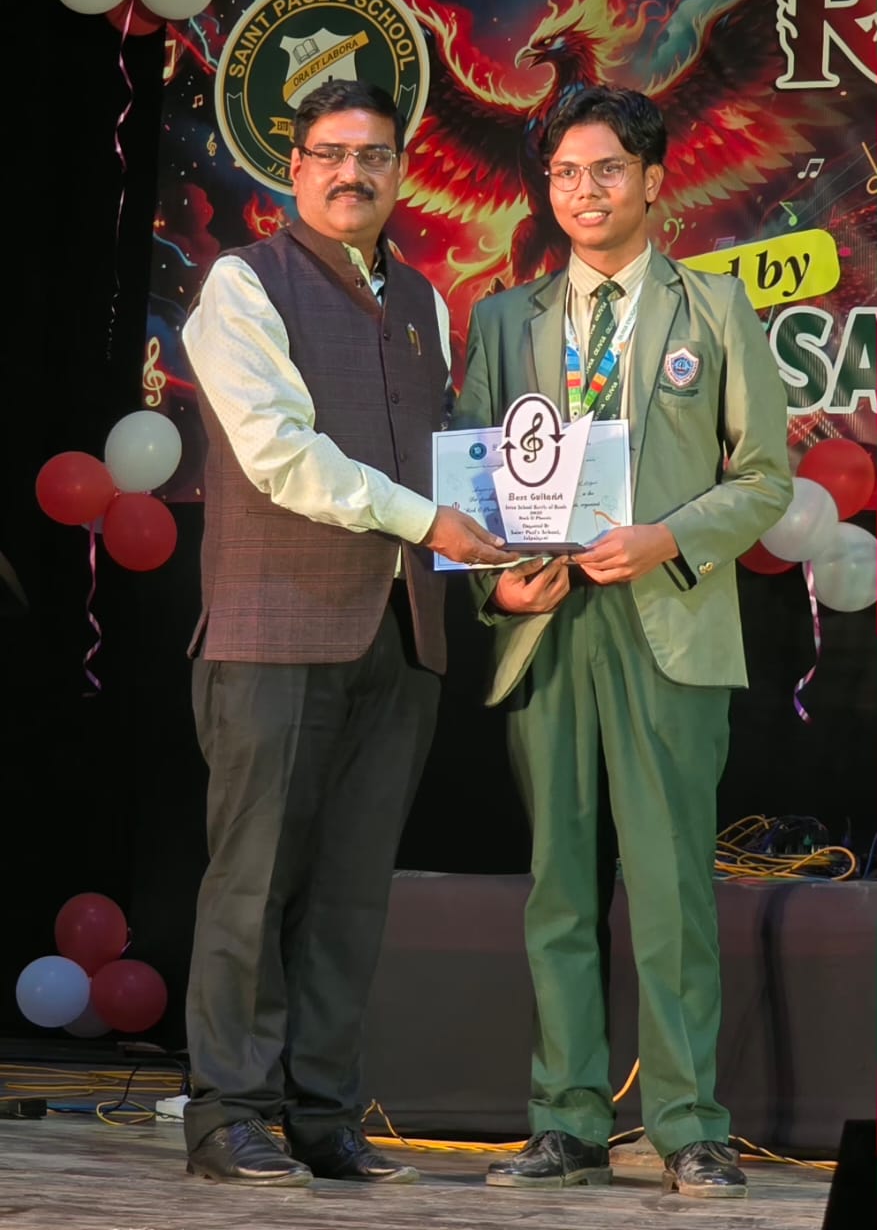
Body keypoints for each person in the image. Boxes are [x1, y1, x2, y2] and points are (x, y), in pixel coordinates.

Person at [452, 85, 792, 1198]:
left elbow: (764, 478)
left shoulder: (713, 309)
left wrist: (667, 538)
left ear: (652, 180)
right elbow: (473, 483)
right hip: (547, 626)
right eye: (564, 173)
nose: (583, 192)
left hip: (667, 621)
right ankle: (566, 1119)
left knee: (668, 887)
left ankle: (688, 1123)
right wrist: (500, 588)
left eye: (606, 170)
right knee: (557, 885)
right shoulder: (504, 320)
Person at [180, 78, 514, 1189]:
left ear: (399, 170)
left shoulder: (421, 300)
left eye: (373, 155)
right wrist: (430, 520)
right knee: (253, 885)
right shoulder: (243, 283)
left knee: (349, 893)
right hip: (272, 630)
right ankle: (230, 1115)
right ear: (293, 167)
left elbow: (449, 458)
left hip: (400, 634)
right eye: (329, 153)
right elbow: (279, 455)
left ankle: (323, 1117)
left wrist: (514, 549)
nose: (351, 173)